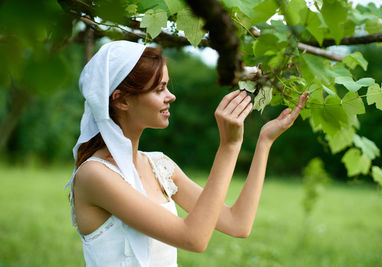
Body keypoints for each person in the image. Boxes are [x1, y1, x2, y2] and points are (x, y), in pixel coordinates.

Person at [65, 40, 308, 267]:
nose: (171, 96)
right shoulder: (95, 175)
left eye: (167, 86)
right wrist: (228, 147)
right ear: (122, 100)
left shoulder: (159, 165)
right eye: (159, 89)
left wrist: (264, 142)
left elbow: (238, 223)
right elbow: (194, 238)